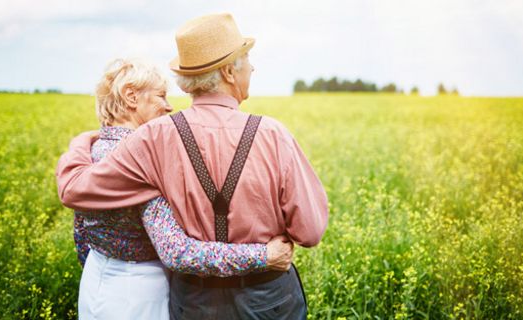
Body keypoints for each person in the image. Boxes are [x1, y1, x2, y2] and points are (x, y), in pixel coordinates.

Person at [57, 13, 328, 319]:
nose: (252, 67)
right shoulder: (273, 134)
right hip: (268, 299)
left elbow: (76, 189)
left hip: (194, 301)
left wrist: (83, 142)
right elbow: (311, 231)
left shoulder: (153, 136)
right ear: (228, 71)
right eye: (247, 59)